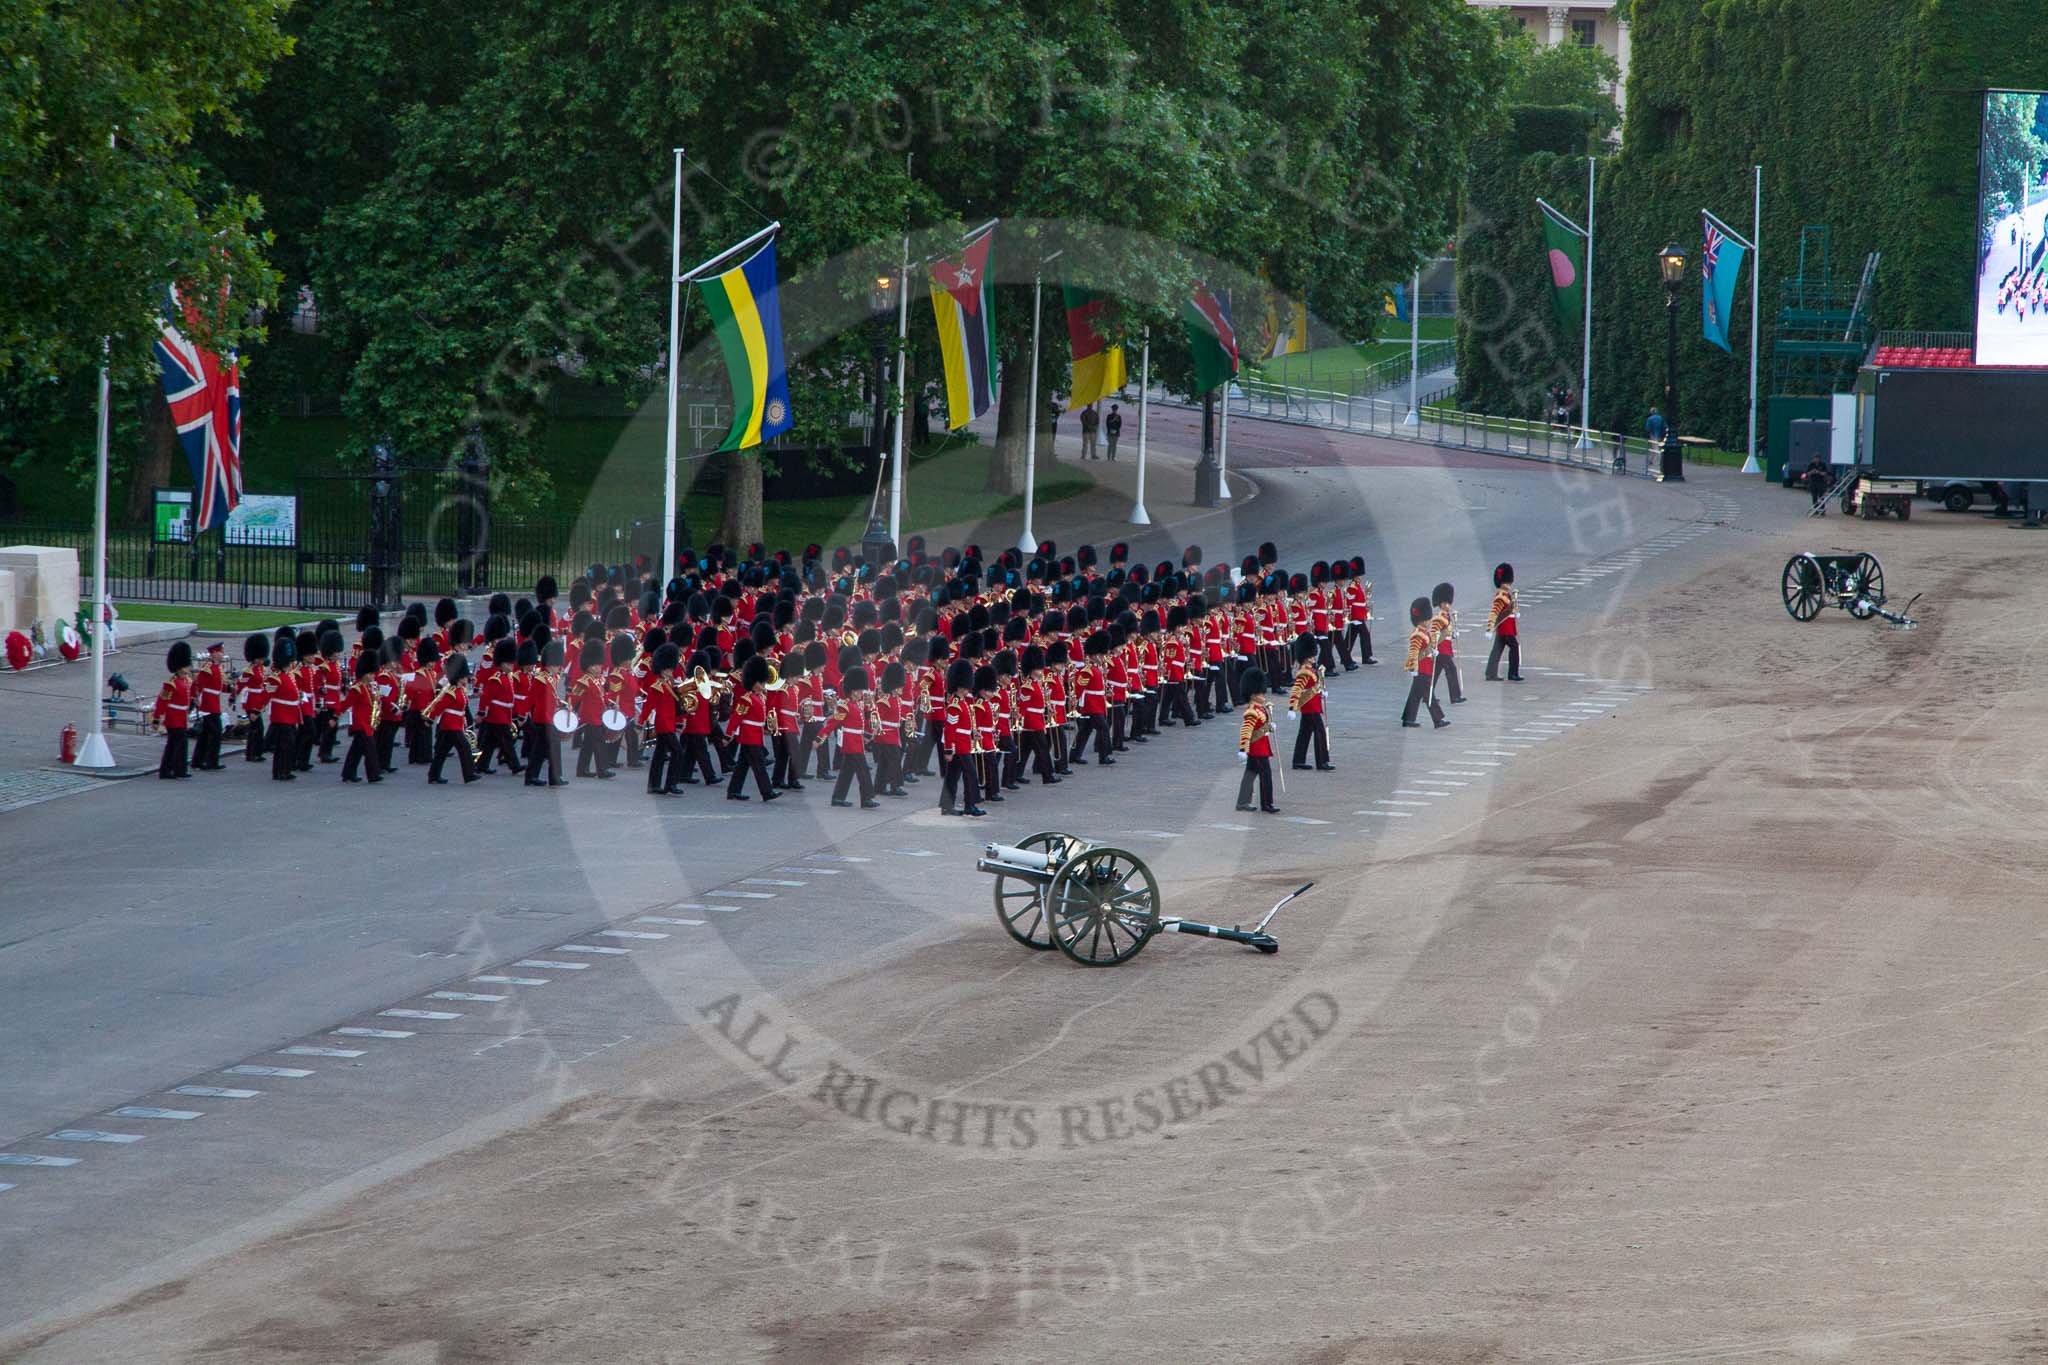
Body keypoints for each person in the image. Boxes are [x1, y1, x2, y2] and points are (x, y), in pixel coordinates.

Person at [724, 655, 780, 801]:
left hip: (756, 734)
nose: (763, 685)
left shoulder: (760, 697)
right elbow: (737, 717)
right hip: (749, 735)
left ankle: (733, 791)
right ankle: (767, 792)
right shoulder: (746, 699)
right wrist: (728, 734)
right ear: (753, 682)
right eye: (760, 682)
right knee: (759, 764)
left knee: (742, 764)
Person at [823, 665, 880, 808]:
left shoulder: (858, 704)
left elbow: (865, 718)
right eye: (860, 690)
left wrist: (870, 708)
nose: (862, 692)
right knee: (863, 771)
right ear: (853, 691)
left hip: (857, 742)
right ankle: (866, 799)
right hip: (851, 743)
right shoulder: (845, 706)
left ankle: (837, 798)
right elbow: (833, 723)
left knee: (847, 772)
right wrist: (820, 738)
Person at [424, 652, 479, 785]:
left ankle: (433, 775)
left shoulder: (459, 690)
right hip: (450, 725)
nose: (467, 679)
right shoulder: (451, 692)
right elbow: (439, 708)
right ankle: (469, 774)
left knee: (442, 752)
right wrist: (430, 719)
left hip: (454, 724)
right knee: (464, 748)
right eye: (465, 677)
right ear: (459, 677)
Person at [1234, 667, 1278, 814]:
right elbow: (1245, 731)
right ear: (1253, 694)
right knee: (1266, 775)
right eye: (1260, 692)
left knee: (1250, 774)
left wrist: (1269, 727)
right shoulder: (1252, 712)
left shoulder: (1260, 708)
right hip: (1257, 748)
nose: (1263, 694)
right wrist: (1243, 749)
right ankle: (1267, 803)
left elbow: (1261, 727)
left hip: (1261, 746)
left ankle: (1242, 802)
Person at [1400, 596, 1448, 729]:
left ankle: (1408, 719)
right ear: (1421, 620)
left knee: (1415, 695)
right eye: (1427, 619)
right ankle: (1438, 720)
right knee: (1429, 695)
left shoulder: (1423, 632)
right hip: (1421, 668)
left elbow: (1427, 647)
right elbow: (1413, 652)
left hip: (1425, 667)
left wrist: (1433, 651)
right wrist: (1413, 667)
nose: (1429, 621)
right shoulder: (1417, 634)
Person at [1287, 635, 1332, 771]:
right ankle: (1322, 761)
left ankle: (1298, 761)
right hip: (1309, 706)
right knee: (1319, 732)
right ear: (1306, 656)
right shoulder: (1304, 671)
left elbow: (1314, 685)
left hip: (1313, 705)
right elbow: (1296, 690)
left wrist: (1321, 691)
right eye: (1312, 655)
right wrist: (1291, 708)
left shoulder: (1311, 669)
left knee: (1305, 733)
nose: (1314, 657)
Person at [340, 652, 384, 783]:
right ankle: (373, 774)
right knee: (370, 750)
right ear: (363, 673)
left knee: (356, 750)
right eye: (370, 674)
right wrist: (335, 715)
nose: (372, 676)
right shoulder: (357, 689)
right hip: (360, 724)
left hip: (368, 723)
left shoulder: (369, 687)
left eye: (373, 674)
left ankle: (348, 773)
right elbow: (346, 704)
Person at [153, 641, 194, 779]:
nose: (188, 668)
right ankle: (178, 770)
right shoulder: (171, 684)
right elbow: (162, 702)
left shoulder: (186, 681)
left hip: (182, 716)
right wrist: (156, 718)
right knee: (180, 744)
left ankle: (166, 770)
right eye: (185, 666)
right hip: (173, 717)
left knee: (172, 744)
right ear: (179, 667)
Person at [190, 640, 227, 770]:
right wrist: (196, 699)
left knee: (205, 734)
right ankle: (211, 761)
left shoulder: (217, 668)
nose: (223, 654)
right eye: (221, 652)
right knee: (215, 733)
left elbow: (219, 686)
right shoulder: (208, 668)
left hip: (214, 702)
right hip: (208, 704)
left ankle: (198, 761)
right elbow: (198, 684)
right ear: (214, 653)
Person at [1484, 562, 1523, 683]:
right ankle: (1513, 673)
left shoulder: (1507, 595)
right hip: (1505, 627)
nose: (1508, 585)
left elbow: (1510, 609)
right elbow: (1494, 613)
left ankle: (1490, 673)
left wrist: (1515, 611)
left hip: (1507, 626)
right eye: (1506, 582)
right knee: (1514, 647)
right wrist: (1489, 628)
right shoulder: (1500, 596)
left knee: (1497, 649)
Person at [1430, 581, 1464, 706]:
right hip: (1441, 649)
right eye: (1446, 603)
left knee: (1435, 674)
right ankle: (1455, 696)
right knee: (1451, 670)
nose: (1448, 605)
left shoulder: (1447, 616)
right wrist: (1434, 647)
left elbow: (1446, 631)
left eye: (1449, 603)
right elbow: (1433, 632)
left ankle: (1427, 694)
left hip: (1445, 647)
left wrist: (1453, 635)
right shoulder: (1439, 617)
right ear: (1441, 604)